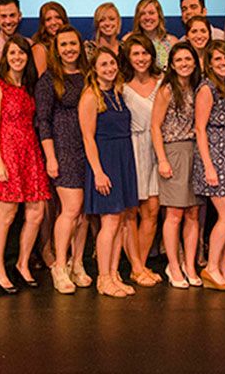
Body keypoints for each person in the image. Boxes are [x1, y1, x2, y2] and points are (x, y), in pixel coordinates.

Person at [0, 35, 50, 293]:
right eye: (12, 53)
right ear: (5, 56)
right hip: (8, 154)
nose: (17, 57)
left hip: (30, 152)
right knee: (7, 214)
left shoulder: (30, 87)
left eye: (21, 53)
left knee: (36, 212)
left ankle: (23, 264)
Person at [79, 47, 140, 298]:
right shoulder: (90, 96)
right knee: (110, 221)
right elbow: (87, 137)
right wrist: (98, 172)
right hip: (105, 161)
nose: (109, 68)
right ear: (94, 68)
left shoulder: (117, 92)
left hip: (123, 158)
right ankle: (103, 278)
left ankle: (114, 274)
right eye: (103, 65)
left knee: (120, 220)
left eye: (112, 64)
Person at [36, 25, 92, 293]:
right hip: (63, 148)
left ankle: (77, 262)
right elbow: (43, 121)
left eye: (73, 43)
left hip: (89, 148)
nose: (69, 49)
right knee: (70, 209)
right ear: (56, 50)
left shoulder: (89, 76)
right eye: (64, 45)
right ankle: (59, 265)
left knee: (84, 213)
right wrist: (51, 157)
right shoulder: (48, 80)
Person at [191, 41, 225, 291]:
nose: (223, 63)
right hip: (214, 153)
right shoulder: (206, 88)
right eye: (218, 60)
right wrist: (209, 166)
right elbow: (200, 128)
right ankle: (211, 267)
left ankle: (223, 265)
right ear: (209, 63)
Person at [151, 42, 203, 288]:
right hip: (173, 151)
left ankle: (189, 264)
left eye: (188, 59)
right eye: (179, 60)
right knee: (173, 214)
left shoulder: (198, 87)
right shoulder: (167, 90)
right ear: (171, 64)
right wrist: (162, 158)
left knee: (193, 213)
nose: (184, 64)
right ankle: (173, 266)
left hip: (195, 151)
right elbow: (155, 126)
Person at [119, 34, 164, 287]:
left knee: (152, 211)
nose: (141, 58)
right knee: (130, 213)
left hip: (157, 149)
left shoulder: (163, 82)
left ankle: (141, 265)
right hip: (131, 149)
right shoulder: (120, 85)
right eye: (135, 53)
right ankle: (135, 266)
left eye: (145, 53)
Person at [125, 0, 178, 69]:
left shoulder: (172, 42)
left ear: (159, 16)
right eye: (143, 14)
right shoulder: (128, 40)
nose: (147, 18)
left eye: (151, 13)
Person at [31, 1, 69, 75]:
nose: (54, 22)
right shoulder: (40, 49)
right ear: (43, 24)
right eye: (48, 19)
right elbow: (41, 82)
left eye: (58, 17)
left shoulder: (70, 43)